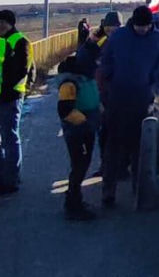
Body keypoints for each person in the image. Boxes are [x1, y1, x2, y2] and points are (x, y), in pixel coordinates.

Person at [99, 5, 159, 206]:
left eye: (146, 26)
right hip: (118, 97)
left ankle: (139, 190)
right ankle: (108, 192)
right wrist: (110, 79)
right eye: (140, 27)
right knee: (113, 146)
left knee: (139, 147)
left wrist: (154, 78)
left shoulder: (158, 39)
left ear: (151, 25)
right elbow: (106, 60)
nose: (143, 30)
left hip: (142, 98)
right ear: (133, 23)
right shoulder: (119, 37)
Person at [54, 55, 100, 220]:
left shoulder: (85, 79)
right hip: (77, 131)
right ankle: (73, 204)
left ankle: (75, 198)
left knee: (83, 163)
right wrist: (86, 123)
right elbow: (65, 110)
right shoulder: (70, 83)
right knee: (79, 165)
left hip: (86, 129)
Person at [76, 11, 121, 175]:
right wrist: (91, 41)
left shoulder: (126, 43)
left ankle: (119, 168)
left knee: (118, 134)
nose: (111, 31)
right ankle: (106, 167)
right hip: (102, 96)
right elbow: (82, 58)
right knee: (104, 134)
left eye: (114, 27)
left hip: (120, 95)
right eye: (108, 27)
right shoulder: (100, 43)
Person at [0, 9, 34, 195]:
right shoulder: (1, 40)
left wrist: (10, 90)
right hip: (3, 96)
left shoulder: (20, 41)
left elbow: (23, 71)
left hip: (10, 98)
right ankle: (3, 175)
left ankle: (11, 179)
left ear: (10, 23)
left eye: (3, 22)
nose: (0, 25)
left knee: (10, 138)